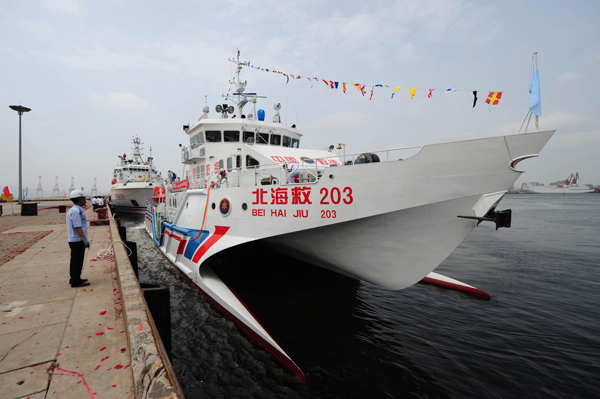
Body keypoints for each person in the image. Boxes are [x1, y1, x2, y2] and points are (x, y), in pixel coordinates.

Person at [67, 190, 91, 287]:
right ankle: (75, 281)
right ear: (80, 200)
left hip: (74, 239)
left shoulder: (72, 210)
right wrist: (84, 239)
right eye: (84, 198)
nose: (85, 200)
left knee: (75, 260)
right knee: (77, 261)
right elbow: (78, 227)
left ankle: (74, 277)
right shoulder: (77, 211)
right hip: (77, 240)